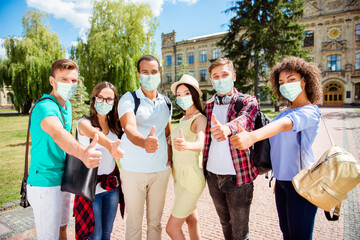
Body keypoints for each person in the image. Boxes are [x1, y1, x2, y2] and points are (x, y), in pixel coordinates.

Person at [230, 57, 322, 240]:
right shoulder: (284, 111)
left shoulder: (310, 111)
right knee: (286, 233)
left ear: (305, 81)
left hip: (302, 183)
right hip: (282, 182)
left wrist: (252, 137)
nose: (285, 84)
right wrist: (279, 177)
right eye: (281, 82)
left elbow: (283, 125)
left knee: (300, 236)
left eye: (291, 79)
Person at [26, 59, 102, 240]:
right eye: (64, 79)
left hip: (64, 179)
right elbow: (57, 132)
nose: (69, 84)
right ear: (52, 81)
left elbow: (65, 138)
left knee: (62, 230)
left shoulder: (66, 105)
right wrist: (83, 153)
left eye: (73, 81)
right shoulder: (45, 107)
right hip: (45, 182)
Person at [202, 57, 259, 240]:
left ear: (233, 76)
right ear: (211, 80)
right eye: (215, 76)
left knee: (240, 232)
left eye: (224, 75)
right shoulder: (208, 105)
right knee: (225, 224)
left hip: (238, 178)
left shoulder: (248, 101)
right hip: (212, 175)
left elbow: (245, 119)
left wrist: (227, 129)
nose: (220, 79)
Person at [118, 55, 172, 240]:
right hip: (134, 171)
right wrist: (144, 142)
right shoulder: (129, 99)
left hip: (160, 171)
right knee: (134, 224)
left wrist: (170, 159)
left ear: (160, 73)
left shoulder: (166, 102)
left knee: (155, 223)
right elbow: (129, 128)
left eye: (154, 72)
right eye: (145, 72)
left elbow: (167, 133)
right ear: (139, 75)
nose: (150, 76)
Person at [73, 81, 125, 240]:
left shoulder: (116, 126)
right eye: (100, 98)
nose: (104, 102)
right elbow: (96, 136)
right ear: (94, 99)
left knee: (107, 234)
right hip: (91, 189)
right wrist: (110, 146)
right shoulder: (84, 123)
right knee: (94, 236)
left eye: (109, 99)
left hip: (111, 187)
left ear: (114, 101)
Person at [166, 75, 207, 240]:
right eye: (178, 95)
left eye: (186, 93)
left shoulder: (200, 118)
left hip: (191, 180)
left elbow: (201, 143)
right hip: (179, 179)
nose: (181, 98)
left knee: (171, 228)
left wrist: (185, 146)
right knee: (191, 219)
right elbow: (180, 139)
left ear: (195, 95)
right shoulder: (183, 118)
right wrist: (171, 141)